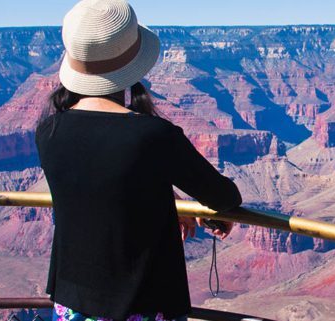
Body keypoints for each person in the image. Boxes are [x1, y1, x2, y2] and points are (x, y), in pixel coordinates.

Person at [34, 1, 243, 321]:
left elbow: (104, 179)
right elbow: (224, 197)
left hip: (72, 305)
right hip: (142, 305)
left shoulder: (49, 131)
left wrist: (166, 195)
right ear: (132, 64)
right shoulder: (154, 136)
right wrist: (192, 206)